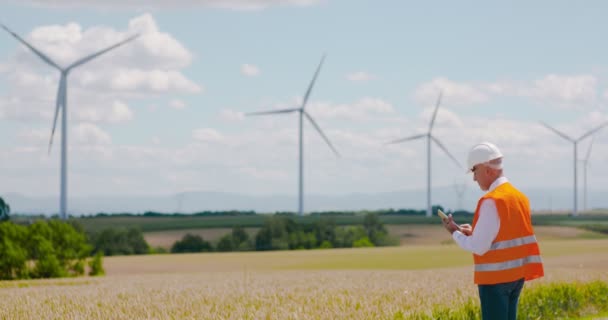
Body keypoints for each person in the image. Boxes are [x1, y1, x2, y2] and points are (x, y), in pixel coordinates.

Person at [442, 142, 544, 320]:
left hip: (495, 279)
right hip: (516, 276)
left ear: (487, 169)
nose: (474, 178)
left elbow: (479, 247)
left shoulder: (492, 201)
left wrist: (454, 232)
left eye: (474, 171)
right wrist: (475, 231)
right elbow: (505, 232)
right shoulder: (519, 197)